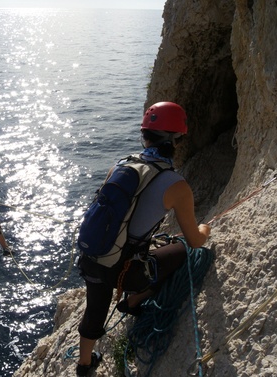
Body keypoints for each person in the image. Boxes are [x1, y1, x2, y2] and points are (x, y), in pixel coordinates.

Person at [75, 102, 211, 376]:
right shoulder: (176, 185)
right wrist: (206, 228)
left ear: (144, 135)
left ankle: (84, 364)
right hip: (128, 274)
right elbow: (195, 241)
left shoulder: (122, 165)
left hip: (94, 259)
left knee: (95, 308)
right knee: (180, 251)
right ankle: (135, 300)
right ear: (177, 140)